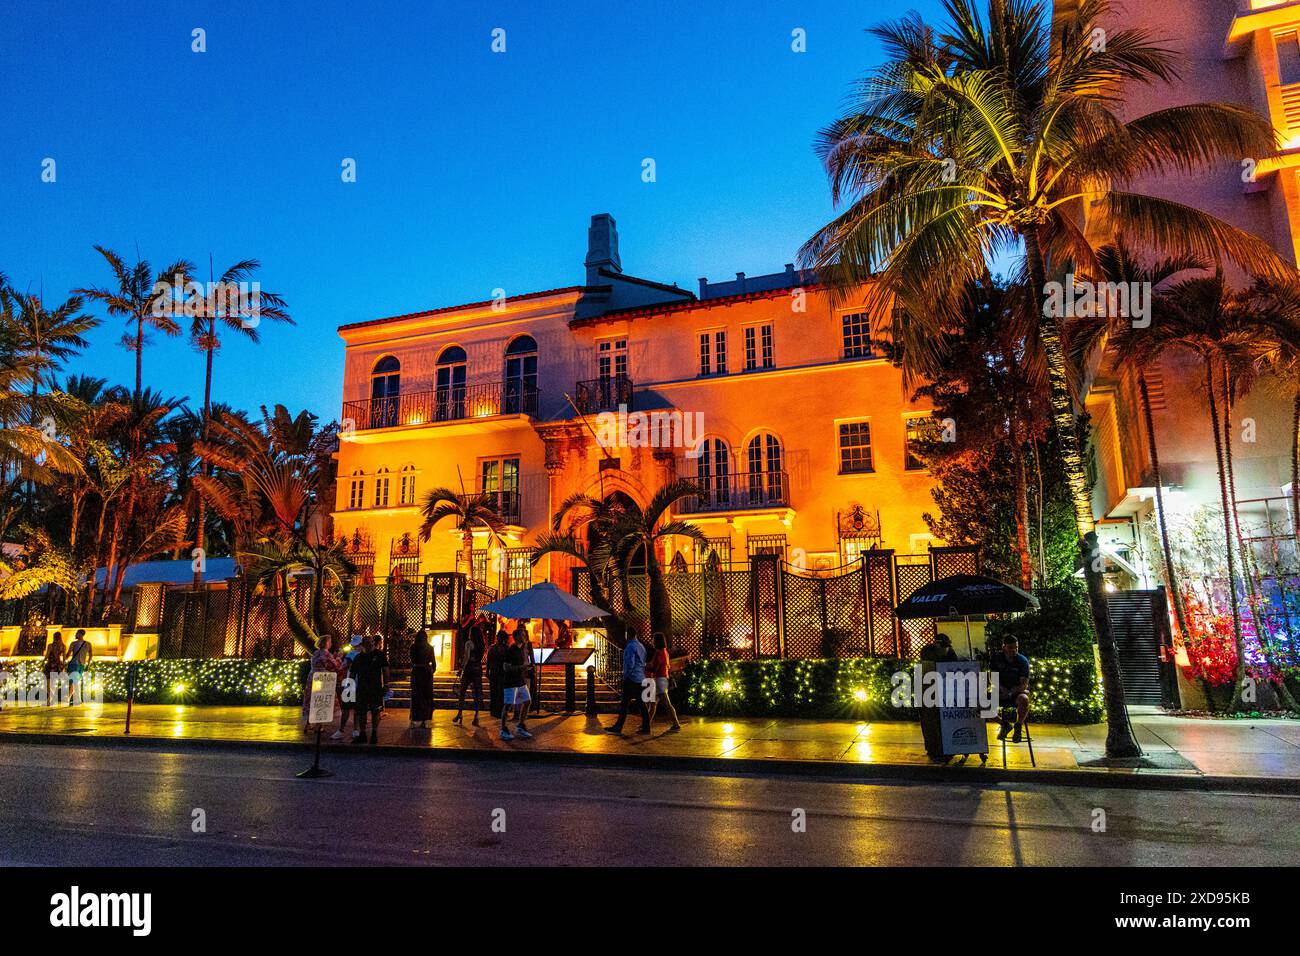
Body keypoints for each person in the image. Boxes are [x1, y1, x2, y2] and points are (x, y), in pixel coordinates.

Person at [918, 633, 959, 760]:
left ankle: (946, 747)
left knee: (944, 719)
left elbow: (954, 668)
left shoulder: (950, 653)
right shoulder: (927, 651)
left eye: (947, 647)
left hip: (945, 689)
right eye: (943, 648)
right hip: (927, 688)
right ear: (936, 645)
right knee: (929, 719)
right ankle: (932, 748)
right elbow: (926, 668)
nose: (945, 650)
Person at [608, 631, 650, 735]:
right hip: (640, 677)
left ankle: (618, 726)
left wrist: (625, 675)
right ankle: (646, 726)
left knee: (624, 703)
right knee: (641, 703)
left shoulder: (630, 647)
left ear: (628, 636)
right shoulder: (641, 646)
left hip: (631, 678)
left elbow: (629, 663)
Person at [351, 634, 389, 744]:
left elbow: (385, 670)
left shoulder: (379, 655)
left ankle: (374, 733)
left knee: (375, 710)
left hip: (375, 687)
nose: (369, 645)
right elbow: (353, 672)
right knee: (362, 712)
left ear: (373, 643)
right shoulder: (359, 657)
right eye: (366, 643)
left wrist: (386, 684)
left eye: (370, 642)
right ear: (363, 644)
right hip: (362, 687)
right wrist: (351, 685)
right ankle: (363, 733)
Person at [302, 634, 344, 732]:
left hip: (313, 677)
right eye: (330, 642)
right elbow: (334, 666)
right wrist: (338, 657)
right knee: (321, 700)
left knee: (313, 699)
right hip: (323, 679)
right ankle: (319, 725)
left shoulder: (316, 653)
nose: (331, 644)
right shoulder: (326, 654)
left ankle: (308, 724)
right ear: (326, 643)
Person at [993, 635, 1031, 742]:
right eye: (1010, 647)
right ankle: (1004, 724)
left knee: (1024, 699)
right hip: (1001, 691)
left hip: (1016, 693)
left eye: (1016, 647)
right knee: (982, 704)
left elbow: (1024, 684)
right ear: (1003, 647)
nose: (1014, 650)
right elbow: (993, 678)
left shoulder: (1022, 661)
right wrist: (1002, 690)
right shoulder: (997, 659)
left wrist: (1009, 693)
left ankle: (1018, 726)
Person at [500, 630, 533, 740]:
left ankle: (521, 725)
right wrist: (521, 668)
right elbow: (506, 667)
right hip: (511, 681)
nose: (525, 637)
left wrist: (526, 667)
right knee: (508, 705)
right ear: (517, 637)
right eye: (523, 635)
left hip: (520, 680)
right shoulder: (511, 650)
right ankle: (503, 729)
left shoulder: (521, 649)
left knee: (527, 701)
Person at [645, 632, 681, 731]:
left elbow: (654, 667)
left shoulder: (658, 653)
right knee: (653, 703)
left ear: (656, 641)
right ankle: (646, 725)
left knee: (666, 704)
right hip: (664, 678)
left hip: (659, 680)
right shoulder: (665, 652)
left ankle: (676, 724)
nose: (652, 641)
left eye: (653, 640)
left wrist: (646, 667)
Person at [452, 616, 485, 726]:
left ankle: (460, 713)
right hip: (478, 669)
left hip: (469, 669)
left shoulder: (469, 643)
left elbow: (466, 658)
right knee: (476, 693)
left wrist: (461, 669)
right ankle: (476, 715)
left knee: (462, 692)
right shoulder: (482, 644)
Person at [408, 630, 436, 728]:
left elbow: (411, 660)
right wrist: (430, 671)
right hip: (426, 672)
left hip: (417, 671)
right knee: (427, 696)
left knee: (416, 696)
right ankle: (426, 718)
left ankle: (416, 718)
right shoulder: (430, 648)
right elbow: (434, 663)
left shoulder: (413, 647)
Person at [486, 628, 509, 720]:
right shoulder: (506, 648)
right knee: (501, 692)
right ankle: (500, 711)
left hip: (494, 671)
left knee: (494, 691)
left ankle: (494, 711)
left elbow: (489, 661)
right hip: (502, 672)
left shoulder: (492, 648)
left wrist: (487, 671)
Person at [65, 629, 92, 706]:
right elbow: (90, 655)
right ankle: (76, 699)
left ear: (80, 634)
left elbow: (68, 654)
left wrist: (64, 661)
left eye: (76, 633)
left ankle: (69, 698)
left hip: (75, 664)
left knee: (74, 682)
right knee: (75, 682)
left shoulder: (74, 643)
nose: (75, 635)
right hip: (81, 665)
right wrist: (88, 664)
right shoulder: (88, 644)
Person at [42, 631, 66, 706]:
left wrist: (43, 662)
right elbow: (64, 659)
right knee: (53, 683)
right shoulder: (63, 646)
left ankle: (51, 699)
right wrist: (63, 666)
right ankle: (50, 700)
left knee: (47, 684)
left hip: (50, 664)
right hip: (58, 665)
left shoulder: (50, 645)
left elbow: (47, 656)